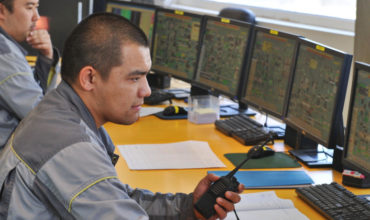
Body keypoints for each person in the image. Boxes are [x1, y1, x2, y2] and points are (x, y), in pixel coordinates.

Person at [0, 13, 243, 219]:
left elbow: (115, 197)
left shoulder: (62, 111)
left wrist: (188, 207)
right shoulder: (69, 144)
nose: (146, 91)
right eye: (134, 78)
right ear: (89, 78)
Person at [0, 0, 60, 150]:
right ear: (2, 11)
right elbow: (42, 117)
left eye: (36, 8)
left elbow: (31, 92)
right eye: (29, 7)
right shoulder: (5, 56)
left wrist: (46, 58)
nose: (36, 16)